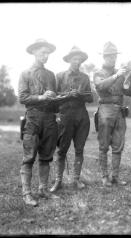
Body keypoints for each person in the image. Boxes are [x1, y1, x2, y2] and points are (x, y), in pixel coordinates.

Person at [18, 39, 59, 206]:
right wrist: (42, 97)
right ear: (34, 52)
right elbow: (22, 97)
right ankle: (27, 194)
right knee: (29, 157)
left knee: (46, 156)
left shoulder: (50, 75)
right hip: (33, 118)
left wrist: (57, 100)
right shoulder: (25, 73)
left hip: (49, 119)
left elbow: (55, 100)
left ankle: (43, 190)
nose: (46, 55)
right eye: (42, 52)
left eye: (47, 53)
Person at [50, 46, 93, 192]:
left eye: (79, 59)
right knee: (61, 150)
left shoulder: (85, 78)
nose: (77, 61)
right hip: (65, 116)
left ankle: (76, 179)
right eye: (74, 58)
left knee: (79, 149)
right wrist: (67, 95)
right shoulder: (60, 76)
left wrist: (80, 94)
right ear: (69, 60)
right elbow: (53, 98)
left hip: (81, 116)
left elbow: (90, 97)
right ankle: (58, 181)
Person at [93, 42, 131, 187]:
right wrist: (117, 75)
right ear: (104, 57)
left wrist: (130, 80)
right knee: (104, 145)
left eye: (114, 56)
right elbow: (100, 86)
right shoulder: (98, 73)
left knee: (118, 145)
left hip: (119, 111)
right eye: (109, 56)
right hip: (105, 110)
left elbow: (128, 92)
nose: (112, 59)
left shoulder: (120, 73)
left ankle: (115, 176)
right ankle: (105, 177)